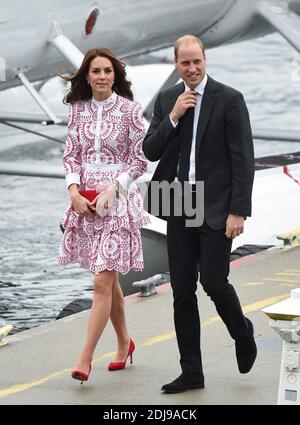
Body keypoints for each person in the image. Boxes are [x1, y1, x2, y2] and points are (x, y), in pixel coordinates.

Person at [143, 35, 257, 394]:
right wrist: (174, 116)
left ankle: (242, 331)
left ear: (205, 60)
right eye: (184, 63)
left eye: (197, 62)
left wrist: (238, 211)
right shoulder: (166, 99)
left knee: (213, 281)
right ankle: (192, 372)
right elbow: (150, 151)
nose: (191, 69)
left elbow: (243, 160)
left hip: (215, 205)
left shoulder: (229, 99)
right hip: (179, 201)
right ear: (176, 64)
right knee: (181, 290)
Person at [58, 48, 150, 382]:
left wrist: (115, 187)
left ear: (115, 75)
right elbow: (71, 156)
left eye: (107, 71)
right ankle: (125, 342)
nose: (101, 77)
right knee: (107, 282)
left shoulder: (130, 111)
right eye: (95, 71)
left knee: (101, 282)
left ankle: (85, 358)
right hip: (85, 201)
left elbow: (140, 160)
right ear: (86, 76)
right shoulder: (77, 111)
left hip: (119, 202)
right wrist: (73, 192)